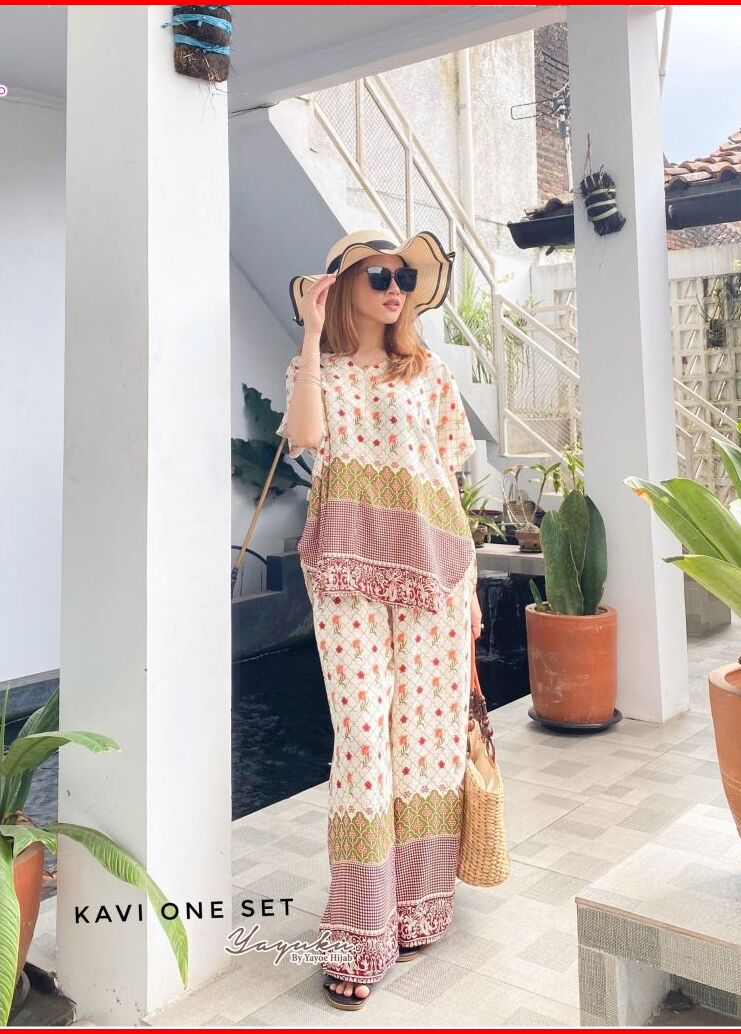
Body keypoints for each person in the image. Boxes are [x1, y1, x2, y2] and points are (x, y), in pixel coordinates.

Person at [278, 229, 483, 1010]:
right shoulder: (317, 369)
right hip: (345, 573)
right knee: (364, 736)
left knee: (425, 739)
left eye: (402, 277)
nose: (395, 289)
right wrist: (309, 331)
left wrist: (468, 587)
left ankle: (418, 907)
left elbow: (446, 477)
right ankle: (360, 930)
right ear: (344, 289)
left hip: (434, 575)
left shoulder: (429, 370)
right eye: (377, 277)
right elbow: (306, 438)